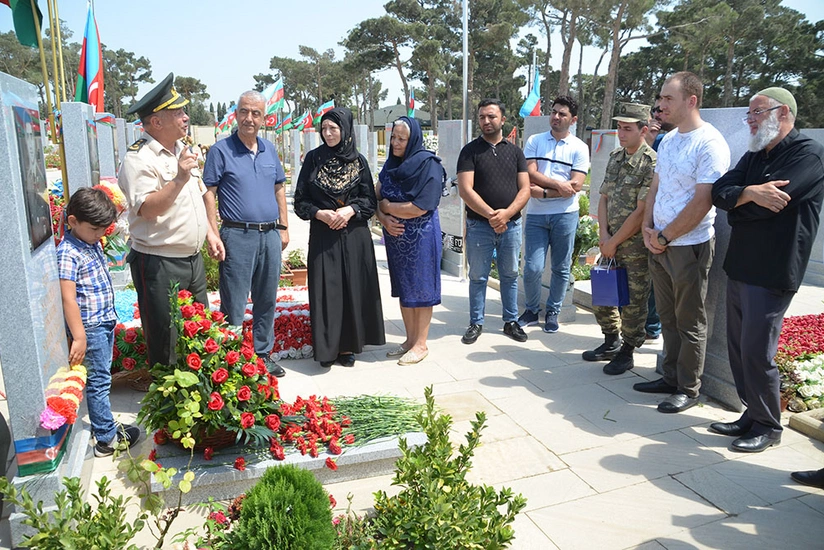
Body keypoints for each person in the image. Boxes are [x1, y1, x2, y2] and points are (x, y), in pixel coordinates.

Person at [711, 87, 824, 452]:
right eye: (750, 114)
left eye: (757, 112)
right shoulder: (755, 155)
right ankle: (751, 412)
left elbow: (772, 206)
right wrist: (749, 193)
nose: (751, 120)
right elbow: (720, 191)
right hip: (742, 265)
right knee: (738, 348)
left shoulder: (809, 155)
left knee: (758, 351)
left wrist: (743, 201)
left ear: (784, 113)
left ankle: (768, 426)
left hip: (773, 270)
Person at [634, 71, 730, 413]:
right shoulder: (670, 140)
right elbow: (655, 186)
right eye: (660, 98)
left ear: (691, 101)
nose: (660, 105)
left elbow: (704, 200)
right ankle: (670, 376)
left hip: (688, 244)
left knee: (690, 321)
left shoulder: (710, 143)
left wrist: (664, 235)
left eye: (667, 99)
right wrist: (648, 228)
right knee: (667, 316)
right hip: (658, 242)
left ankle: (688, 389)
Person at [118, 73, 217, 369]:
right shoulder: (139, 159)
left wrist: (211, 233)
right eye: (178, 113)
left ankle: (200, 401)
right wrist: (179, 178)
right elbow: (147, 209)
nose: (186, 118)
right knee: (167, 340)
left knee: (201, 333)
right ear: (156, 122)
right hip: (159, 262)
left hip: (192, 260)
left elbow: (201, 195)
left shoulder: (181, 150)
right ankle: (169, 407)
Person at [202, 90, 289, 378]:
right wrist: (213, 233)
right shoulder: (221, 151)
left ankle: (263, 355)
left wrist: (284, 227)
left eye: (256, 113)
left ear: (264, 118)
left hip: (269, 236)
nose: (249, 118)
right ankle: (233, 358)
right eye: (244, 111)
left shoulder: (269, 150)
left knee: (267, 298)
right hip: (237, 236)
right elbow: (209, 194)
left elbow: (279, 187)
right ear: (236, 114)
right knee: (234, 302)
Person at [293, 107, 385, 368]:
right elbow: (301, 201)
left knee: (351, 289)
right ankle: (327, 348)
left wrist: (350, 210)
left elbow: (369, 200)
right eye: (324, 129)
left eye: (334, 128)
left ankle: (348, 347)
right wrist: (320, 213)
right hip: (324, 236)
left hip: (354, 236)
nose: (329, 133)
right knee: (326, 291)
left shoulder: (359, 162)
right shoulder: (313, 159)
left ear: (345, 130)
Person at [57, 187, 140, 457]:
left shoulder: (89, 243)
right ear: (73, 222)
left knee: (102, 377)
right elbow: (68, 298)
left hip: (103, 321)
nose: (100, 234)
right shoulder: (68, 252)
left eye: (103, 229)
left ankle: (105, 425)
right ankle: (106, 438)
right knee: (99, 381)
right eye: (95, 229)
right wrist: (79, 336)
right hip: (90, 327)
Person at [582, 103, 655, 375]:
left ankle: (628, 350)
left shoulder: (651, 163)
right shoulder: (615, 157)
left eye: (627, 129)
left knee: (633, 301)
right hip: (609, 240)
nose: (621, 134)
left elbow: (642, 210)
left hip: (634, 245)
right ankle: (610, 340)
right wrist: (603, 235)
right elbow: (603, 197)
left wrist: (614, 241)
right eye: (619, 128)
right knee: (602, 293)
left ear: (643, 130)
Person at [458, 98, 530, 345]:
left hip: (511, 226)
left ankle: (511, 321)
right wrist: (492, 215)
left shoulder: (516, 152)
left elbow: (525, 189)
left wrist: (506, 215)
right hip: (479, 226)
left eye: (491, 116)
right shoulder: (470, 151)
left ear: (503, 119)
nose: (486, 121)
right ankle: (476, 322)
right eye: (482, 117)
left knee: (509, 274)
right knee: (478, 276)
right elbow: (466, 190)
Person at [518, 95, 590, 333]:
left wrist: (545, 192)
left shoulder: (580, 147)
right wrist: (559, 186)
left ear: (573, 119)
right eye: (554, 112)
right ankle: (530, 310)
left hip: (565, 215)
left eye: (562, 114)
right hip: (537, 215)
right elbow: (530, 173)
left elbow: (577, 185)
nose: (556, 117)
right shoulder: (535, 141)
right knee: (532, 267)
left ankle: (553, 312)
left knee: (561, 268)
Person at [377, 116, 445, 365]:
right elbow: (377, 196)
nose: (395, 143)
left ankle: (421, 344)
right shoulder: (390, 165)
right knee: (404, 287)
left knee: (422, 288)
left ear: (413, 139)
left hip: (421, 237)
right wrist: (383, 217)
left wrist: (389, 206)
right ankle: (408, 340)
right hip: (396, 240)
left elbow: (421, 206)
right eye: (393, 137)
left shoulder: (429, 165)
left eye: (401, 139)